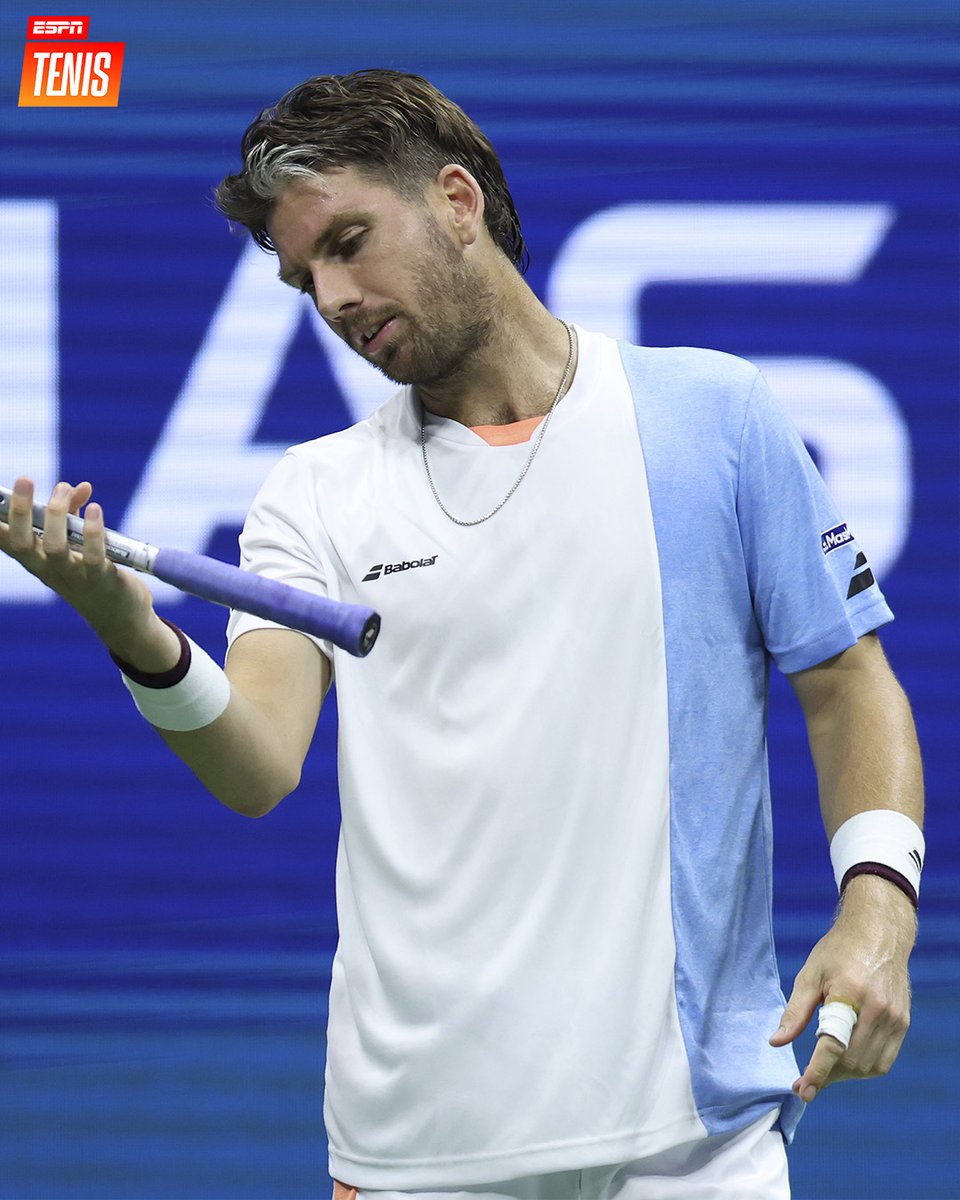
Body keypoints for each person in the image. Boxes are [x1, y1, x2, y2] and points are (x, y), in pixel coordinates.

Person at [0, 69, 924, 1200]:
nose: (333, 297)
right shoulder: (313, 494)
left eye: (348, 242)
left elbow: (844, 677)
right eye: (303, 279)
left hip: (699, 1144)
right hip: (417, 1157)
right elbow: (256, 763)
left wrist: (879, 900)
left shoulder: (711, 419)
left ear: (457, 199)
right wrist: (130, 630)